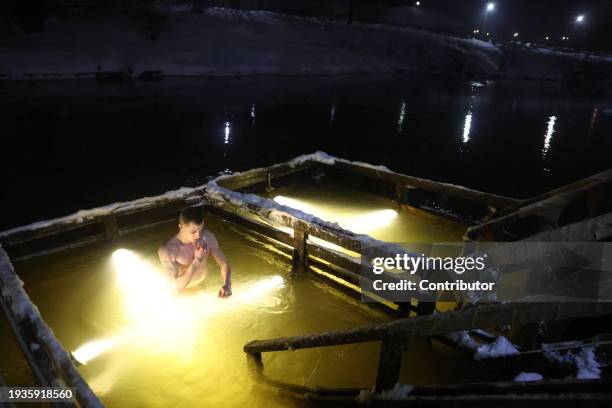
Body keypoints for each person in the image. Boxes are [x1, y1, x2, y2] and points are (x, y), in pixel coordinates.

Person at [158, 207, 232, 296]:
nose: (198, 235)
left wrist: (227, 284)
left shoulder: (207, 237)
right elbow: (174, 289)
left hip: (202, 284)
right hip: (183, 292)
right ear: (181, 227)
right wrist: (196, 261)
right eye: (193, 232)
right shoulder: (168, 250)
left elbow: (224, 264)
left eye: (200, 229)